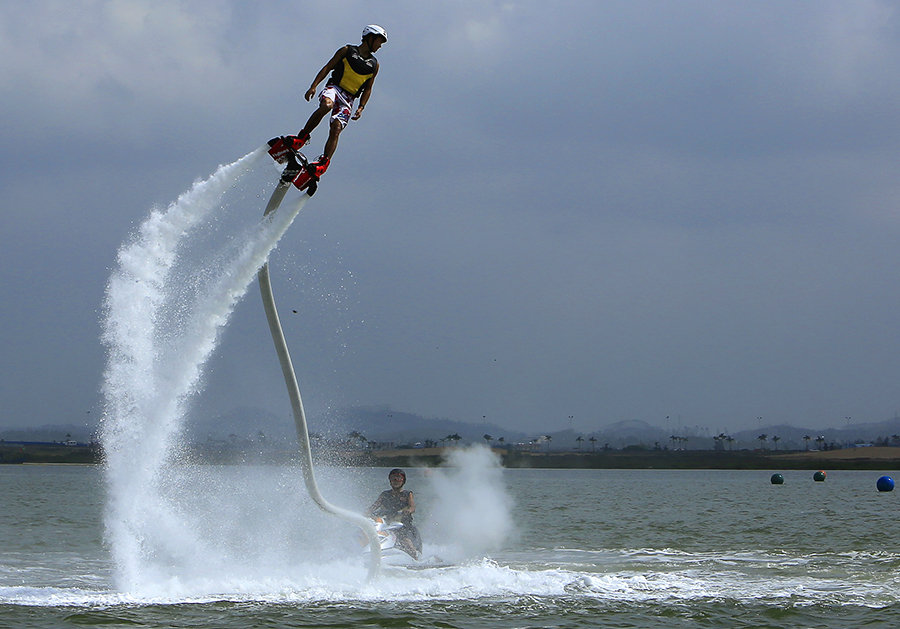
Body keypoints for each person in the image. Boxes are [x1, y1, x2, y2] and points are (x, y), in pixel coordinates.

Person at [268, 25, 387, 189]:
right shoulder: (347, 50)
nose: (380, 46)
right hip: (334, 88)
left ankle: (323, 164)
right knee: (326, 105)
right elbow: (327, 67)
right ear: (370, 38)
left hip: (349, 99)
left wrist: (361, 107)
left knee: (336, 128)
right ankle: (301, 138)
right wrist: (314, 86)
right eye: (379, 42)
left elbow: (368, 88)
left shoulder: (374, 65)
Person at [367, 468, 422, 559]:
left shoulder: (408, 494)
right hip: (386, 525)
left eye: (399, 478)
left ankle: (415, 561)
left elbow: (412, 507)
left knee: (408, 546)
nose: (396, 481)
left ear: (403, 480)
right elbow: (374, 506)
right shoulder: (385, 494)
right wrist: (367, 512)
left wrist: (408, 511)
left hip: (402, 526)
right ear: (390, 481)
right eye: (393, 478)